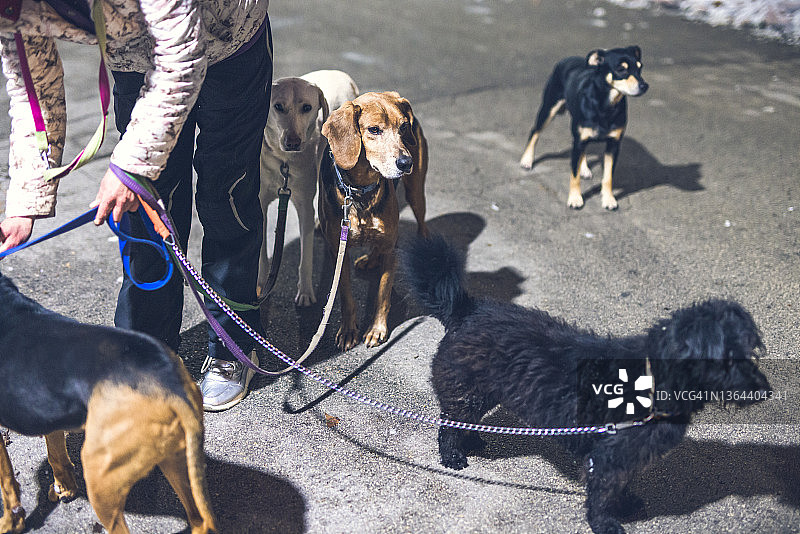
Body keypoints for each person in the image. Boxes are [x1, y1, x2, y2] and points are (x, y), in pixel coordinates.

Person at [0, 0, 271, 411]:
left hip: (227, 38)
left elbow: (182, 55)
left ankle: (233, 346)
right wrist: (25, 199)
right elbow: (34, 94)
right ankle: (148, 351)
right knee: (146, 207)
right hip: (135, 57)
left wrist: (129, 165)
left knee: (226, 195)